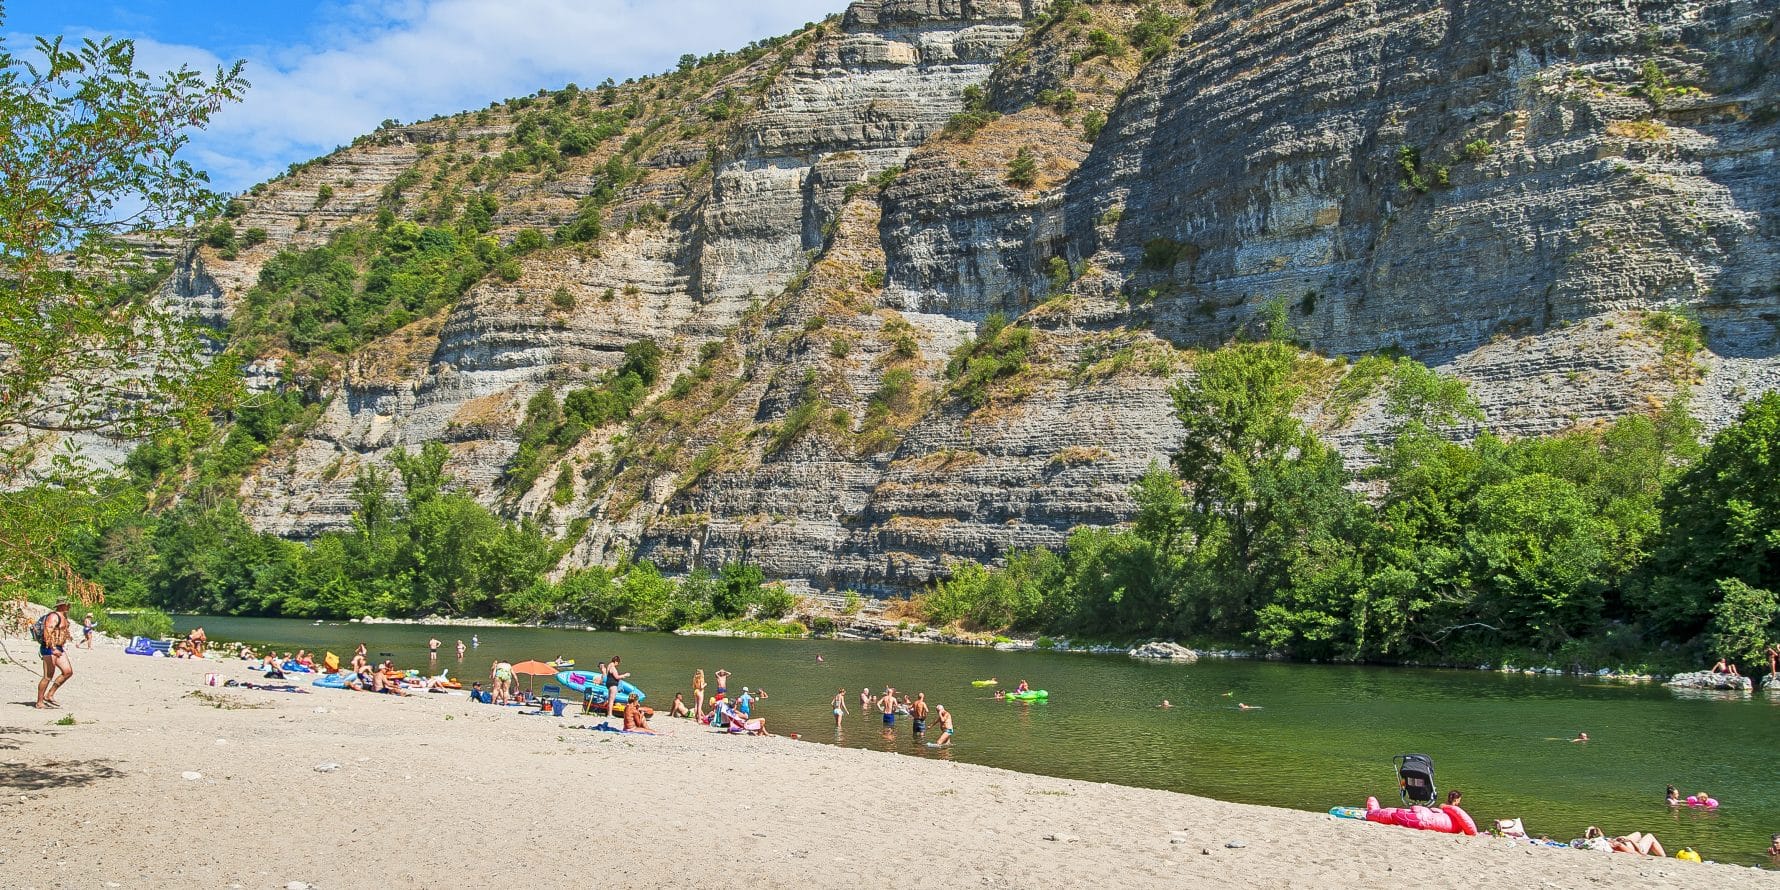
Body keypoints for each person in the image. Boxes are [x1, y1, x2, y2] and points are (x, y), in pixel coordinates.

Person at [35, 601, 74, 709]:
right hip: (49, 648)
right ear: (61, 605)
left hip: (59, 647)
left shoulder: (64, 617)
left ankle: (50, 694)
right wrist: (52, 648)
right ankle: (39, 701)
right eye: (67, 604)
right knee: (48, 676)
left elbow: (62, 631)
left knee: (68, 672)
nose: (69, 606)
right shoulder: (53, 616)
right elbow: (47, 632)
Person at [602, 656, 630, 721]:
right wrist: (625, 675)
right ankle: (610, 714)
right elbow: (617, 677)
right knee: (611, 700)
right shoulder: (612, 667)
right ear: (616, 661)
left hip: (609, 683)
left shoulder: (609, 666)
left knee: (610, 699)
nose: (618, 664)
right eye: (618, 663)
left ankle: (608, 713)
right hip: (613, 684)